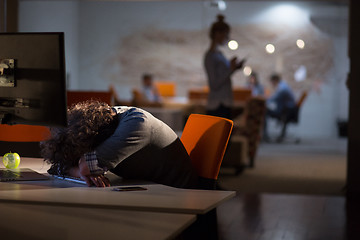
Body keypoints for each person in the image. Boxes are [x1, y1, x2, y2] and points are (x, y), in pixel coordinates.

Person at [40, 100, 199, 189]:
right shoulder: (107, 117)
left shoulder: (137, 124)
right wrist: (76, 167)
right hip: (148, 188)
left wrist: (80, 167)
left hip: (178, 193)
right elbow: (57, 166)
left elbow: (84, 167)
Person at [204, 14, 245, 119]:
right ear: (217, 34)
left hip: (224, 103)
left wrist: (233, 68)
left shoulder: (219, 54)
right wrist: (231, 69)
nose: (227, 38)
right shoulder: (210, 56)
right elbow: (214, 84)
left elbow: (225, 74)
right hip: (218, 105)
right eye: (226, 34)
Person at [263, 73, 297, 142]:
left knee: (264, 111)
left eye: (271, 82)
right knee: (266, 110)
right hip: (287, 110)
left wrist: (262, 101)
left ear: (275, 80)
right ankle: (265, 135)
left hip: (286, 112)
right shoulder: (283, 86)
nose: (271, 84)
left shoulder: (282, 89)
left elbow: (273, 99)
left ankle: (265, 136)